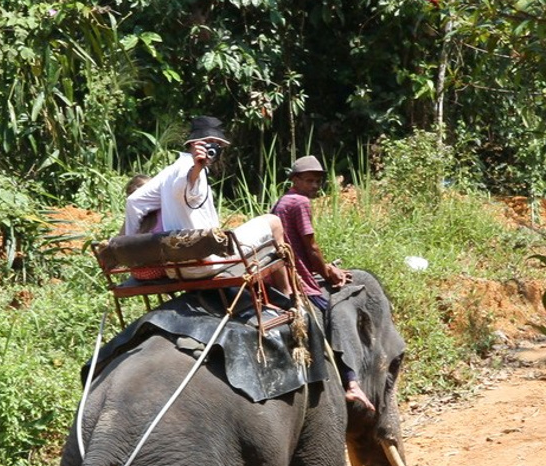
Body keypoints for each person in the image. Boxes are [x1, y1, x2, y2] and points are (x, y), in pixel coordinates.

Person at [124, 116, 289, 286]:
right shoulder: (192, 170)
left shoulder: (169, 171)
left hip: (175, 268)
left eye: (218, 145)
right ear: (194, 143)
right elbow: (186, 185)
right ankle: (289, 295)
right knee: (273, 222)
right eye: (209, 142)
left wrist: (129, 247)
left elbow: (134, 201)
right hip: (206, 262)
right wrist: (197, 168)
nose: (214, 149)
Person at [273, 155, 375, 412]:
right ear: (294, 180)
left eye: (318, 181)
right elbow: (311, 246)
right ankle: (351, 382)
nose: (314, 186)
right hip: (301, 281)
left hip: (282, 275)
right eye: (309, 180)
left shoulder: (281, 202)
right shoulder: (299, 202)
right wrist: (328, 274)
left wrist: (327, 267)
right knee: (334, 312)